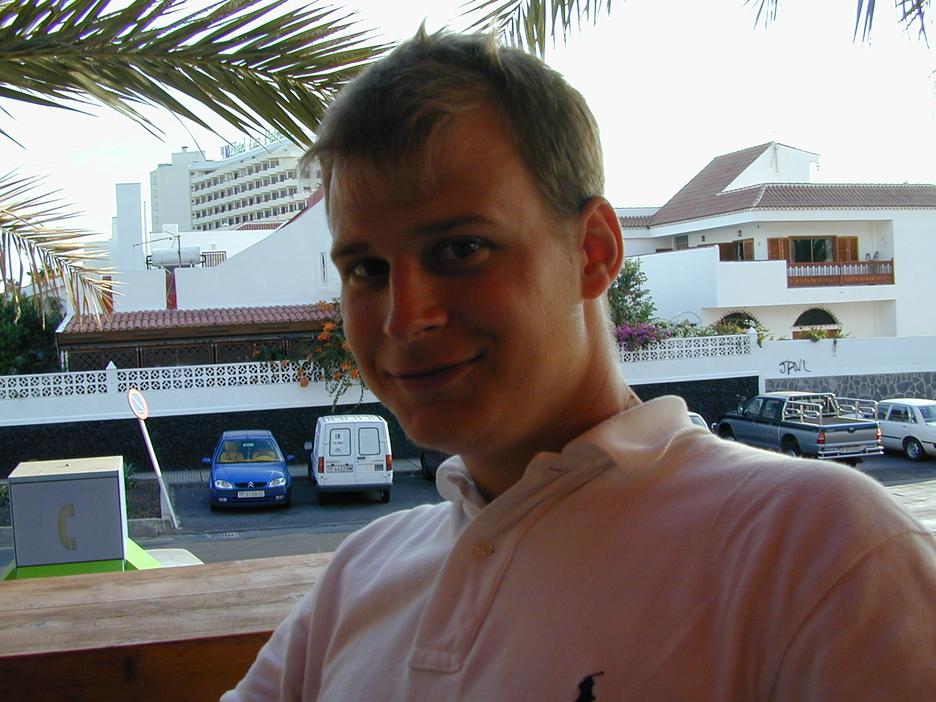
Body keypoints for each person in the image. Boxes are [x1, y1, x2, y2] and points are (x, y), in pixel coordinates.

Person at [224, 29, 936, 701]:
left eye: (460, 250)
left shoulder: (817, 550)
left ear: (593, 252)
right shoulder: (357, 579)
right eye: (367, 269)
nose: (404, 318)